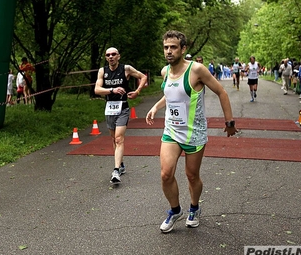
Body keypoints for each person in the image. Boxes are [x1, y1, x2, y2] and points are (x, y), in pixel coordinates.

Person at [145, 30, 237, 233]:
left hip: (194, 133)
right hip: (171, 130)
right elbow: (171, 95)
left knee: (192, 175)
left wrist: (229, 121)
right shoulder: (164, 72)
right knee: (165, 174)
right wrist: (155, 107)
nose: (169, 51)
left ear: (183, 49)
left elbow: (221, 92)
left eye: (173, 47)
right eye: (166, 47)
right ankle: (175, 210)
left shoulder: (197, 70)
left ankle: (194, 208)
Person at [94, 47, 147, 184]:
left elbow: (143, 77)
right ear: (106, 58)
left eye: (113, 54)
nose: (111, 57)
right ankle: (121, 164)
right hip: (109, 108)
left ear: (118, 56)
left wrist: (137, 91)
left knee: (119, 139)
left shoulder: (126, 69)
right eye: (108, 55)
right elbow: (97, 89)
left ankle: (116, 170)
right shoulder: (102, 71)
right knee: (113, 139)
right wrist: (112, 89)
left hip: (123, 107)